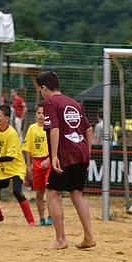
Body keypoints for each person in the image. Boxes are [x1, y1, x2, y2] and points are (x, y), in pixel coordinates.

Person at [37, 71, 96, 249]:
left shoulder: (50, 103)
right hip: (81, 154)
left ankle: (61, 239)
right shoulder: (74, 103)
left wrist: (54, 156)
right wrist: (86, 152)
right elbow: (89, 130)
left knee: (53, 193)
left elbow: (54, 129)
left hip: (65, 155)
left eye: (40, 89)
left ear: (44, 87)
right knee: (76, 194)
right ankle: (89, 237)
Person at [23, 102, 53, 227]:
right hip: (37, 162)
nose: (41, 116)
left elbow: (55, 146)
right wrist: (28, 165)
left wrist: (50, 159)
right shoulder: (32, 128)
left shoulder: (51, 128)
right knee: (39, 192)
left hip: (49, 161)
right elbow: (28, 148)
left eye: (44, 113)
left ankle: (51, 216)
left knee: (51, 190)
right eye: (39, 113)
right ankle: (41, 218)